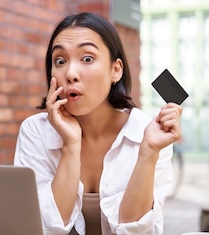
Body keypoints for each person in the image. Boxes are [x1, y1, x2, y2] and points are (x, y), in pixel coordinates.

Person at [13, 12, 183, 235]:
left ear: (116, 70)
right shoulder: (35, 131)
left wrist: (149, 152)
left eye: (87, 59)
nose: (71, 73)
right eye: (60, 61)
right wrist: (70, 146)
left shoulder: (149, 134)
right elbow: (42, 229)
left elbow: (137, 232)